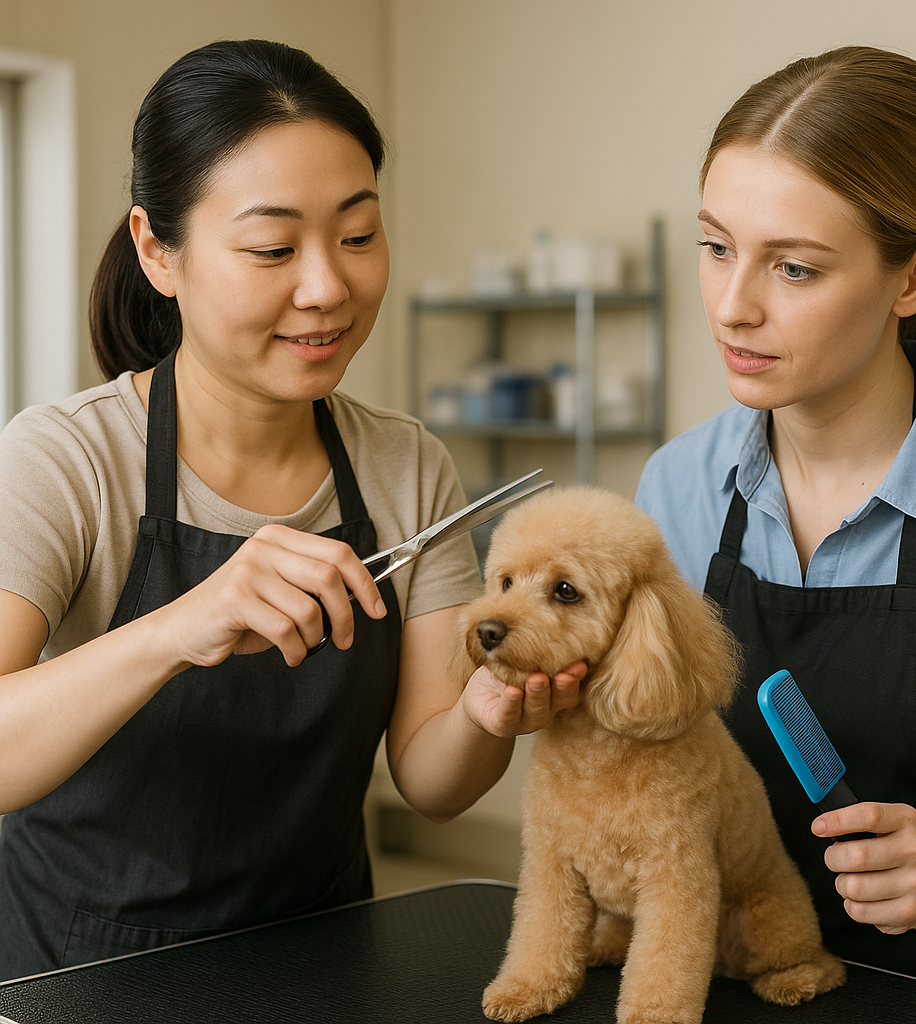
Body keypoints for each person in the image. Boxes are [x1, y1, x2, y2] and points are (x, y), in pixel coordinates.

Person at [0, 39, 584, 979]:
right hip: (78, 973)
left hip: (320, 958)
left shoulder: (405, 467)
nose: (328, 287)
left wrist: (488, 711)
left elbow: (431, 783)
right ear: (159, 251)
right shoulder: (66, 458)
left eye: (358, 236)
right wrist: (178, 627)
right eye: (274, 247)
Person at [636, 46, 916, 1001]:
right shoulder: (679, 487)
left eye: (795, 268)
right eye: (717, 246)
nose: (733, 307)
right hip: (726, 981)